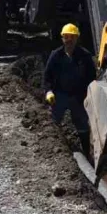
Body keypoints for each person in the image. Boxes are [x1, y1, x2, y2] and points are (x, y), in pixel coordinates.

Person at [43, 23, 97, 153]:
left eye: (72, 37)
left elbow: (92, 78)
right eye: (66, 37)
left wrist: (89, 95)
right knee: (53, 123)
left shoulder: (85, 56)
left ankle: (86, 152)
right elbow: (47, 76)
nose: (69, 40)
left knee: (83, 126)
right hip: (59, 95)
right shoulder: (56, 55)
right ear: (62, 38)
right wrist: (48, 91)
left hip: (78, 97)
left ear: (77, 38)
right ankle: (56, 150)